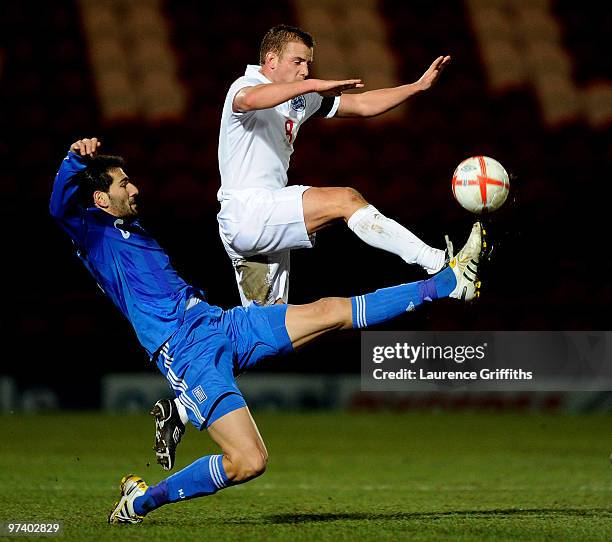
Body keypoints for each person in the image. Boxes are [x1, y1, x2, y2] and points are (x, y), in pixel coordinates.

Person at [51, 138, 483, 524]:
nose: (134, 188)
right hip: (185, 351)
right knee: (249, 461)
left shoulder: (128, 227)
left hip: (218, 322)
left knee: (329, 310)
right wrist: (73, 159)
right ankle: (141, 501)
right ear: (99, 199)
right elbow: (58, 207)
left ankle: (447, 283)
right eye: (123, 184)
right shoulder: (92, 233)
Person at [218, 24, 453, 306]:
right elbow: (254, 99)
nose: (305, 70)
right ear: (271, 60)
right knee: (345, 199)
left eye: (308, 63)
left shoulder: (299, 100)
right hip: (248, 211)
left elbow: (363, 105)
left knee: (269, 331)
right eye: (297, 62)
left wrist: (416, 87)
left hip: (266, 218)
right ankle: (439, 262)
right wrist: (314, 85)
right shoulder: (244, 87)